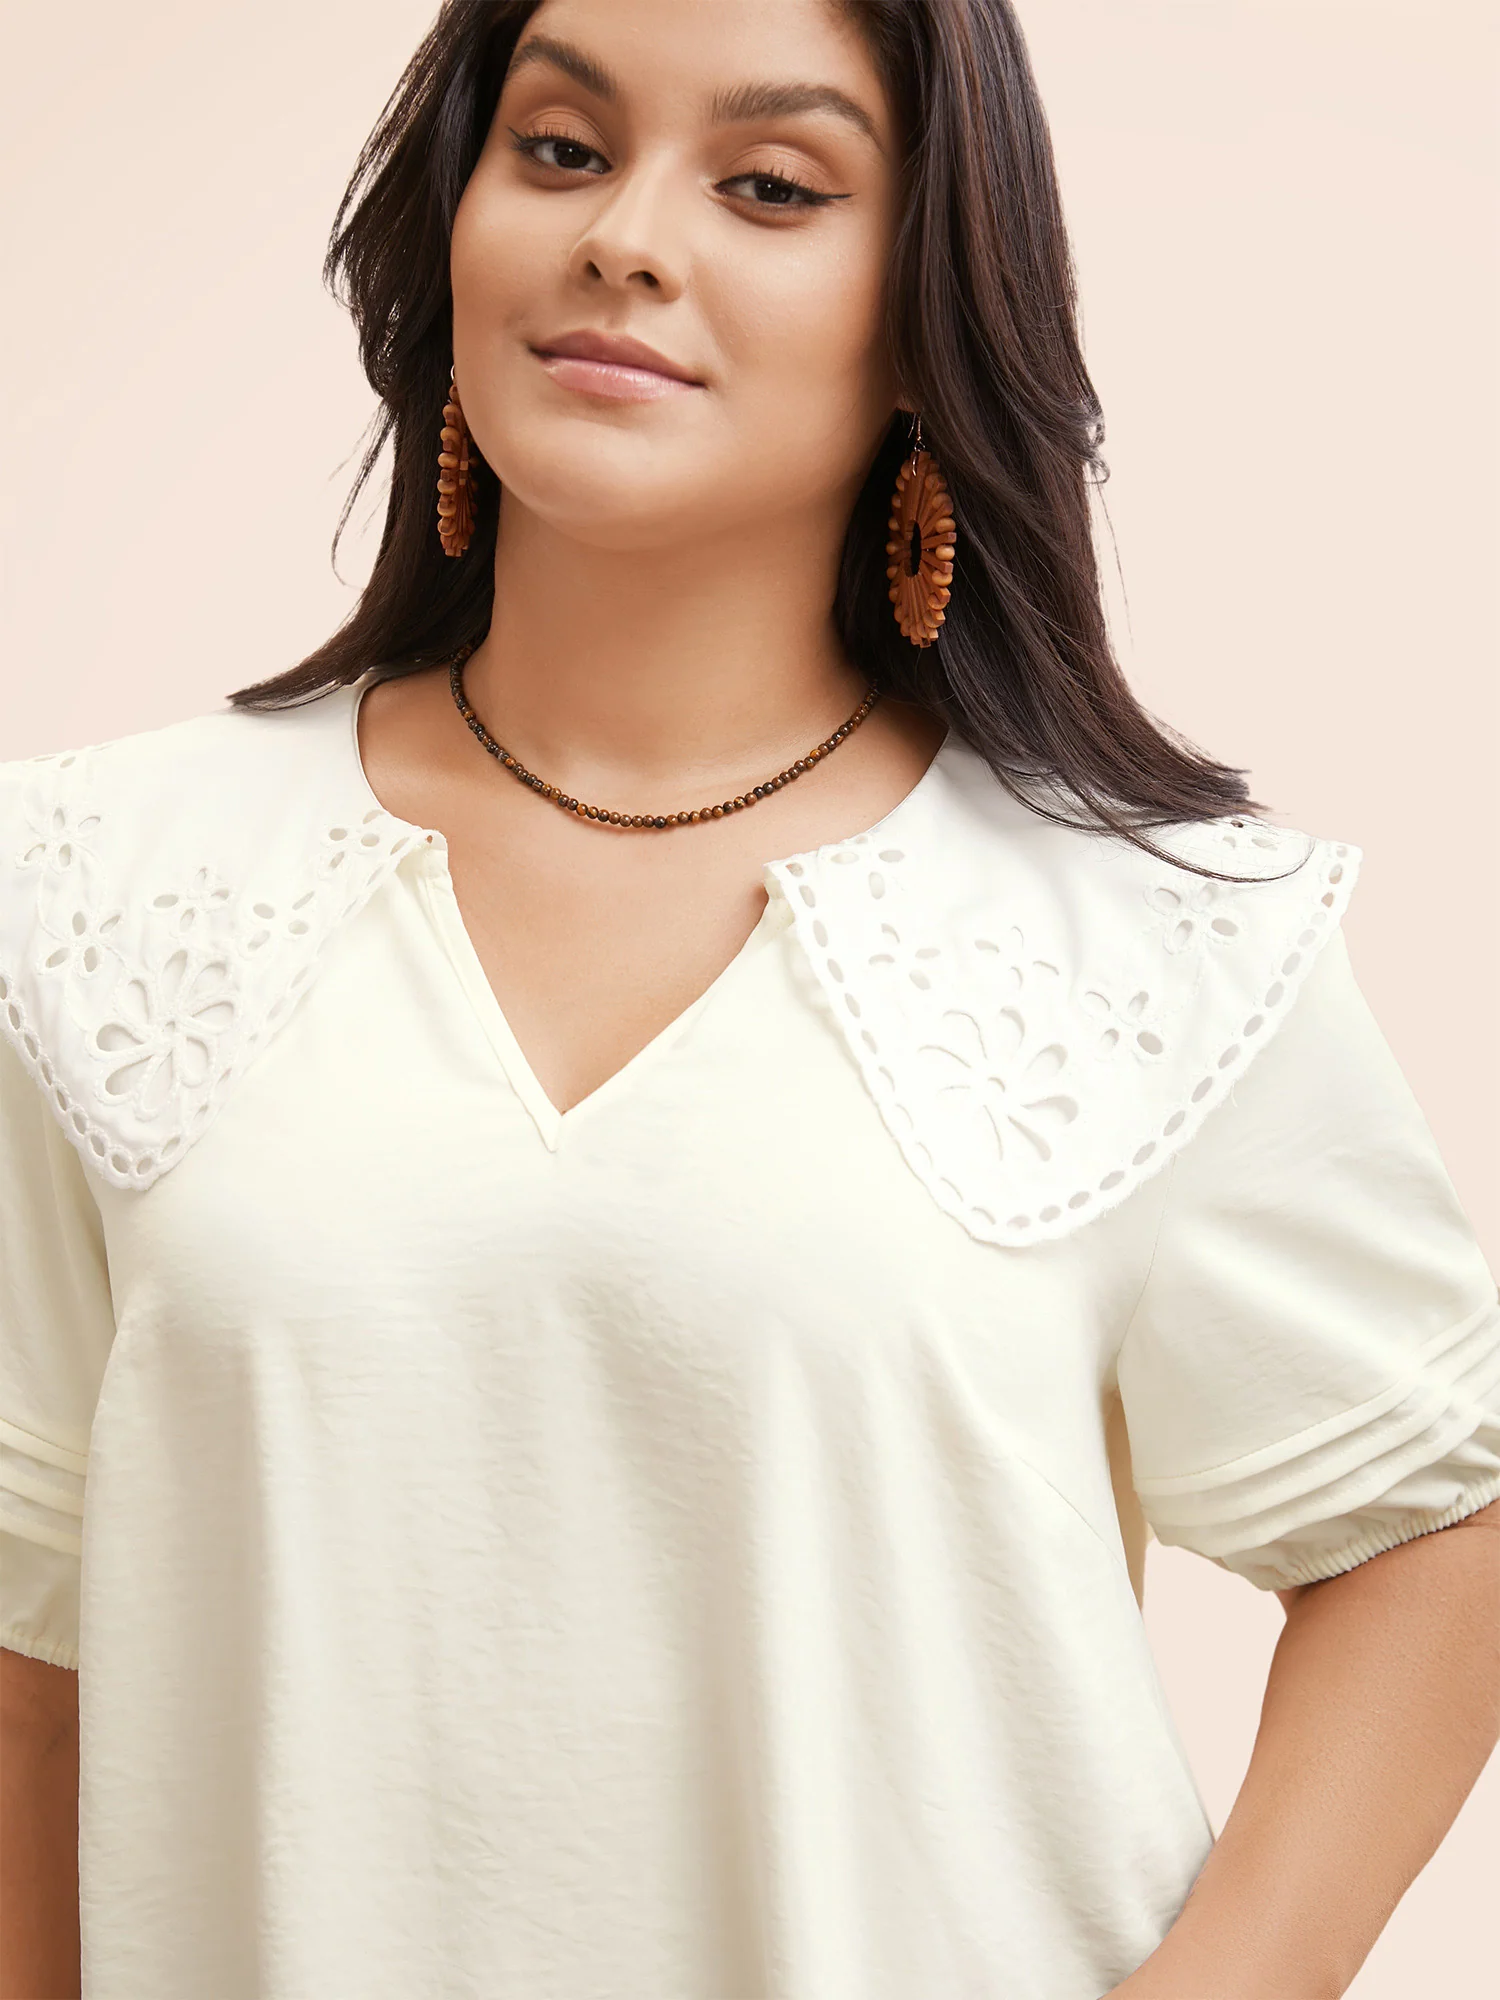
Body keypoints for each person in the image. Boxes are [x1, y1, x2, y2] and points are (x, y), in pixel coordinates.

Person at [2, 1, 1497, 1995]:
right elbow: (31, 1662)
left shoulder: (1146, 939)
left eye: (772, 185)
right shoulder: (97, 886)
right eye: (558, 148)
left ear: (928, 311)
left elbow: (1433, 1526)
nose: (624, 237)